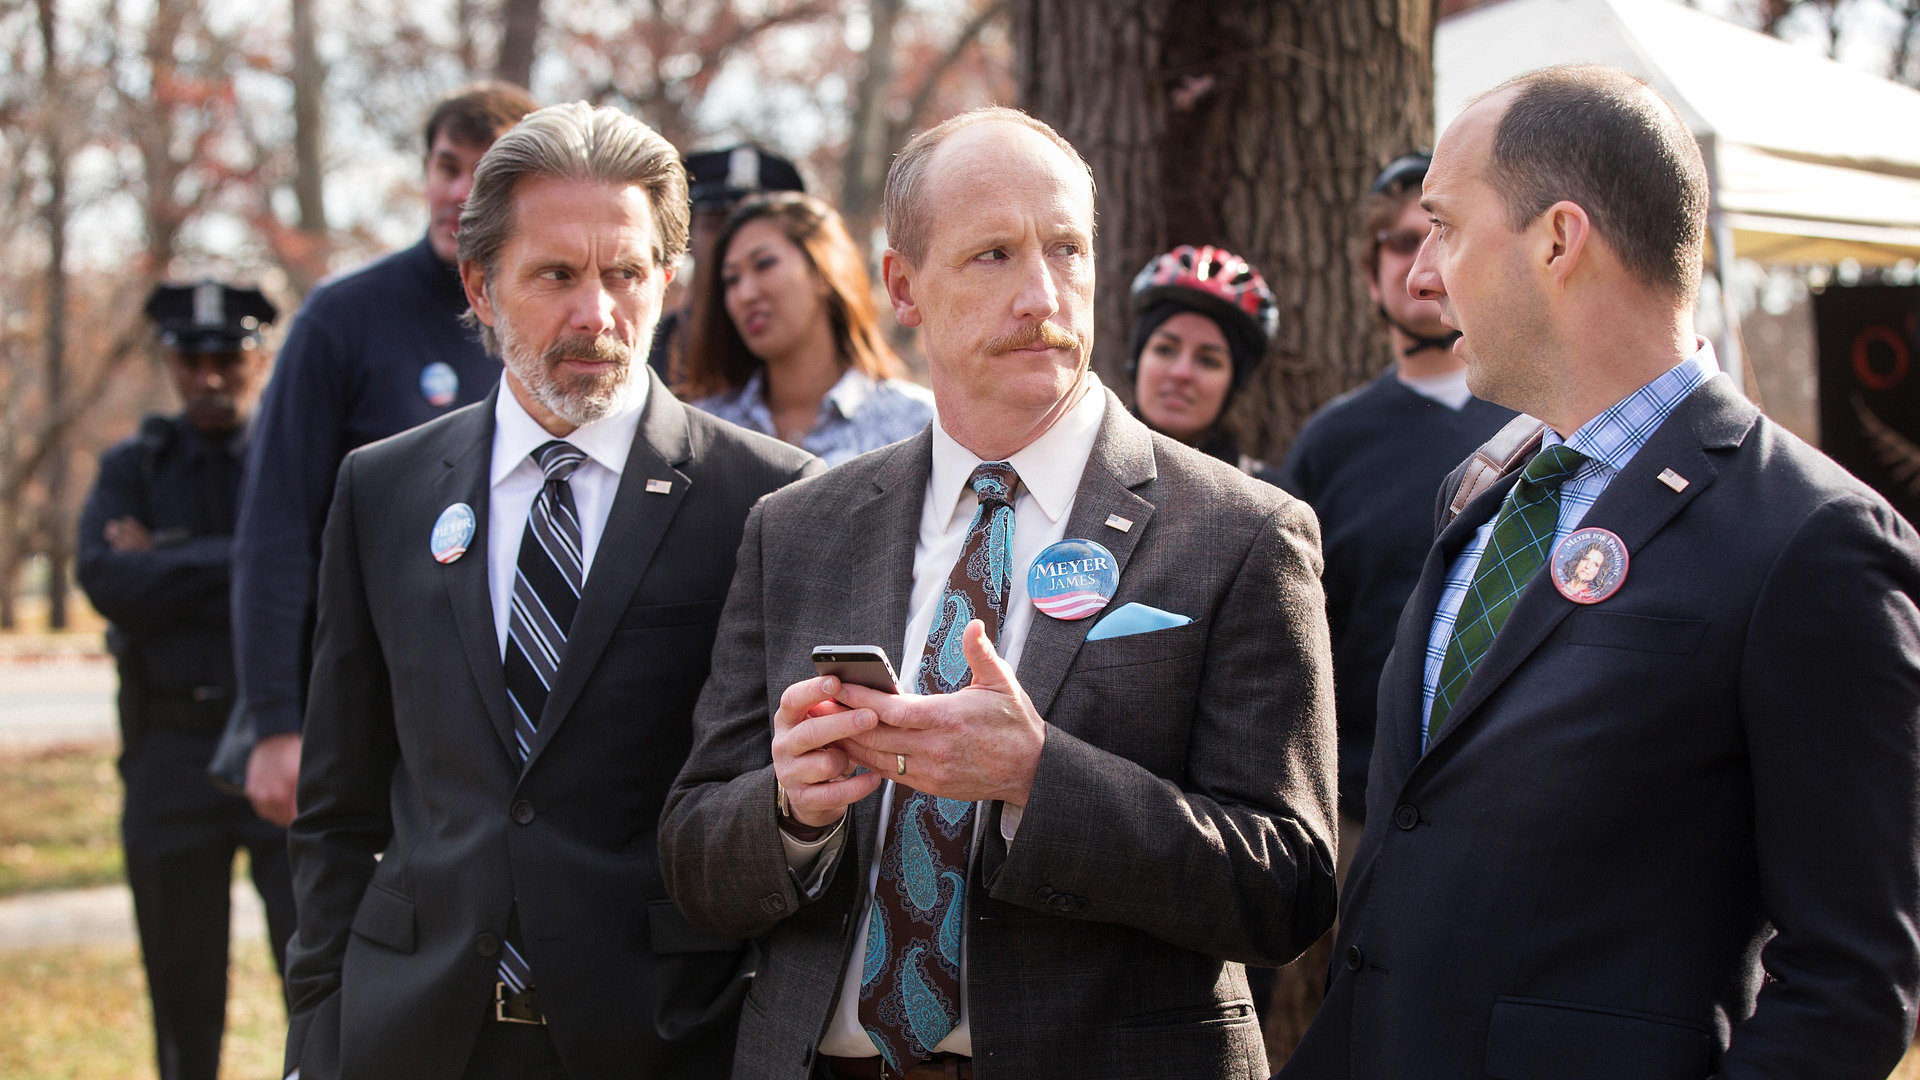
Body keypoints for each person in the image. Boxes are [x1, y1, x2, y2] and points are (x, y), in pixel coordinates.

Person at [661, 105, 1337, 1080]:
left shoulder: (1240, 532)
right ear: (904, 286)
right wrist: (791, 814)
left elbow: (1289, 890)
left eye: (1067, 249)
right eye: (992, 255)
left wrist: (1039, 782)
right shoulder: (799, 527)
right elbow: (692, 855)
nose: (1041, 295)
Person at [1280, 64, 1920, 1078]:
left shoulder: (1813, 541)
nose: (1424, 275)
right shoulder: (1484, 488)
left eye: (1445, 226)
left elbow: (1853, 986)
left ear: (1558, 239)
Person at [281, 103, 819, 1080]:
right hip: (412, 1038)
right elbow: (338, 811)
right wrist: (318, 1035)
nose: (596, 314)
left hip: (662, 1039)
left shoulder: (770, 500)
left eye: (624, 273)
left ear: (667, 279)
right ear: (481, 287)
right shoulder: (382, 490)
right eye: (556, 275)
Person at [231, 81, 538, 830]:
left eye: (482, 170)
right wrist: (273, 722)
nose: (456, 191)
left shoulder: (556, 324)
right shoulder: (342, 317)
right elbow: (275, 526)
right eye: (444, 166)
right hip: (360, 706)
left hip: (504, 726)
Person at [76, 281, 297, 1080]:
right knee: (181, 995)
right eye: (191, 358)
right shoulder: (134, 467)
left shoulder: (291, 458)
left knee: (316, 983)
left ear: (258, 358)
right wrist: (248, 561)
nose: (209, 376)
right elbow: (103, 578)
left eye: (227, 357)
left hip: (281, 745)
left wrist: (167, 564)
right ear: (170, 363)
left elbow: (311, 585)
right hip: (169, 753)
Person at [1270, 152, 1516, 828]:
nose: (1422, 260)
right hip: (1361, 807)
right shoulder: (1330, 443)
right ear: (1372, 275)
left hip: (1518, 799)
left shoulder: (1541, 419)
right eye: (1401, 242)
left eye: (1443, 235)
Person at [685, 191, 933, 464]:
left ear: (822, 271)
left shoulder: (916, 424)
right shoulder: (702, 431)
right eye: (731, 280)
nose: (745, 294)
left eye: (764, 264)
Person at [648, 144, 806, 382]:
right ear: (686, 235)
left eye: (755, 228)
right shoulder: (649, 348)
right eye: (717, 224)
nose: (736, 242)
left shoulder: (811, 354)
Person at [1127, 244, 1278, 474]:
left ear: (1234, 382)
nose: (1181, 373)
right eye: (1165, 349)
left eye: (1208, 361)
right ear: (1138, 359)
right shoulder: (1074, 472)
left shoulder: (1272, 499)